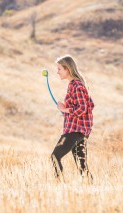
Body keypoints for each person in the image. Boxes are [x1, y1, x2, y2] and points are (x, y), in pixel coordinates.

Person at [50, 55, 94, 183]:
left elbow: (82, 109)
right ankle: (91, 188)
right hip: (78, 130)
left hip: (75, 131)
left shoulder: (77, 86)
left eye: (59, 69)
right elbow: (77, 111)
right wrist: (65, 110)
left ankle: (58, 185)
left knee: (55, 156)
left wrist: (65, 110)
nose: (57, 72)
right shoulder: (73, 85)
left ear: (67, 69)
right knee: (82, 166)